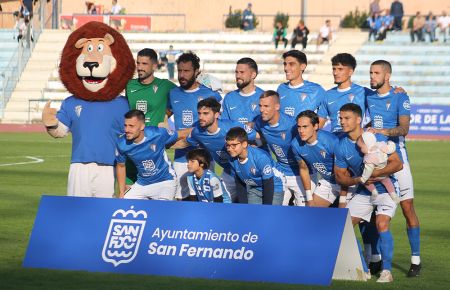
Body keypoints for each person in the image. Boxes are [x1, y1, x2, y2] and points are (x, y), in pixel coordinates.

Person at [334, 103, 403, 283]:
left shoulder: (375, 136)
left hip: (387, 191)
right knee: (343, 227)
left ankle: (386, 271)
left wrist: (375, 174)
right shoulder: (341, 145)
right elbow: (340, 177)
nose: (342, 121)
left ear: (359, 120)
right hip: (364, 192)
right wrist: (359, 180)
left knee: (381, 224)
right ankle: (363, 270)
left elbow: (397, 164)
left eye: (346, 118)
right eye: (340, 118)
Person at [366, 60, 422, 277]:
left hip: (398, 160)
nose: (372, 77)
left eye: (376, 73)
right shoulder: (366, 95)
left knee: (408, 208)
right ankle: (376, 259)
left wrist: (382, 131)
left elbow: (404, 129)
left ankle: (415, 259)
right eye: (370, 72)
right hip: (373, 160)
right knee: (373, 210)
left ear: (387, 76)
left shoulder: (400, 96)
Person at [168, 52, 222, 200]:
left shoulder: (210, 94)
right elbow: (165, 116)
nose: (182, 75)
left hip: (204, 156)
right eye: (179, 71)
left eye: (186, 71)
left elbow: (218, 120)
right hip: (181, 158)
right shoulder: (173, 93)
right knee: (181, 198)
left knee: (207, 197)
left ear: (196, 71)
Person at [180, 98, 257, 202]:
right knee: (223, 204)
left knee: (250, 205)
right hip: (228, 173)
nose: (201, 117)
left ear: (216, 115)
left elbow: (258, 136)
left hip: (248, 171)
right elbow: (186, 142)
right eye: (199, 113)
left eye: (206, 113)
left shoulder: (232, 126)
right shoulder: (197, 131)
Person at [253, 90, 311, 206]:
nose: (261, 110)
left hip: (301, 174)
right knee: (274, 213)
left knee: (305, 216)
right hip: (281, 173)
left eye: (266, 106)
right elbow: (253, 131)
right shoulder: (259, 122)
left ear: (277, 106)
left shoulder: (292, 125)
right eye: (260, 106)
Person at [115, 110, 178, 200]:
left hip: (165, 181)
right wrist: (121, 193)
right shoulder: (122, 143)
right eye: (125, 125)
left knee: (161, 211)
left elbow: (179, 136)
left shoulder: (158, 133)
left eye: (131, 126)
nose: (126, 130)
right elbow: (120, 166)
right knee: (123, 203)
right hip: (142, 183)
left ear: (142, 126)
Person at [291, 110, 341, 207]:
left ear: (315, 126)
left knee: (347, 219)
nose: (301, 131)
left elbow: (344, 171)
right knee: (310, 214)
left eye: (305, 127)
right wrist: (309, 198)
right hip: (328, 182)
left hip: (346, 182)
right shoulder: (295, 144)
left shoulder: (331, 141)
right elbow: (303, 168)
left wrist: (342, 200)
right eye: (299, 127)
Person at [225, 127, 284, 205]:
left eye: (234, 145)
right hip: (255, 188)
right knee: (250, 213)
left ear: (244, 144)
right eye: (228, 145)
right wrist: (244, 206)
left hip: (274, 186)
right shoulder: (232, 159)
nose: (229, 149)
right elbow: (239, 183)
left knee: (269, 214)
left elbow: (268, 183)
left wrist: (267, 208)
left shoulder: (260, 157)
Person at [318, 53, 368, 135]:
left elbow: (382, 98)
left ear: (350, 72)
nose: (335, 73)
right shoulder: (328, 94)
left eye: (340, 69)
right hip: (335, 141)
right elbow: (319, 123)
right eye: (334, 69)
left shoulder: (363, 92)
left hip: (354, 143)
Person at [127, 48, 176, 127]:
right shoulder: (129, 85)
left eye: (144, 64)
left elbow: (188, 91)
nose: (139, 68)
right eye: (138, 63)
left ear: (154, 66)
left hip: (156, 137)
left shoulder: (165, 85)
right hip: (135, 138)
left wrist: (202, 78)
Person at [277, 50, 327, 118]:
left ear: (302, 66)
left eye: (291, 64)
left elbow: (327, 113)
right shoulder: (281, 88)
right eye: (285, 64)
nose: (286, 68)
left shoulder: (316, 90)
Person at [356, 131, 399, 203]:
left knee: (366, 182)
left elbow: (368, 170)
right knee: (388, 182)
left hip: (373, 177)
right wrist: (391, 143)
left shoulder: (369, 157)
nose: (360, 150)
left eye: (361, 147)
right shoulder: (380, 146)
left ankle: (374, 191)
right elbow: (391, 149)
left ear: (367, 144)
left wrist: (363, 179)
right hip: (384, 174)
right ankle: (393, 194)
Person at [221, 58, 263, 125]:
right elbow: (224, 125)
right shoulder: (229, 98)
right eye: (236, 72)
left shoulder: (264, 97)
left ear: (253, 75)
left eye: (242, 72)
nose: (238, 76)